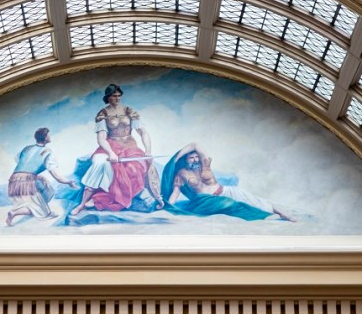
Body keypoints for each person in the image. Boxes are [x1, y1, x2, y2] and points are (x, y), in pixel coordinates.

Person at [71, 84, 164, 215]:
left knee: (134, 168)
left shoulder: (129, 111)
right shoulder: (102, 114)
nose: (117, 98)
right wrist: (111, 153)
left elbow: (143, 132)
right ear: (108, 97)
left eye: (119, 95)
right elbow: (101, 138)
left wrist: (148, 150)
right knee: (99, 164)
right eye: (114, 96)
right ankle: (82, 204)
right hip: (109, 147)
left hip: (130, 148)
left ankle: (106, 199)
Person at [161, 142, 296, 222]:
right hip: (208, 200)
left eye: (197, 157)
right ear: (186, 159)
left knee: (260, 204)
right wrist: (168, 206)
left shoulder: (205, 165)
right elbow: (176, 192)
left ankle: (283, 215)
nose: (196, 159)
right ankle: (268, 216)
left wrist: (178, 156)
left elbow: (195, 144)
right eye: (192, 157)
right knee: (231, 205)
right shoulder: (182, 173)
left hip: (226, 191)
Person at [6, 128, 77, 226]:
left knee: (42, 192)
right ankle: (14, 213)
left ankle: (36, 207)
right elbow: (56, 176)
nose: (50, 136)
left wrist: (37, 176)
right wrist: (68, 182)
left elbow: (20, 162)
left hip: (14, 179)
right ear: (45, 137)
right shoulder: (47, 152)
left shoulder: (27, 148)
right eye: (49, 135)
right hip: (26, 182)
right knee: (40, 212)